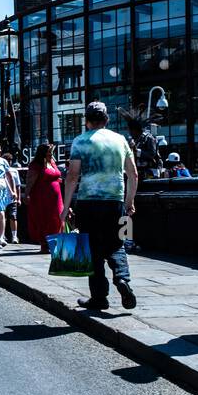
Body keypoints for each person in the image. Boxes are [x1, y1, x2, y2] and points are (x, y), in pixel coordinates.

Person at [60, 101, 138, 311]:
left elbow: (72, 176)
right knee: (117, 243)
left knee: (92, 249)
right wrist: (129, 203)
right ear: (107, 120)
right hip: (115, 202)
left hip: (88, 202)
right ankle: (122, 279)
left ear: (86, 121)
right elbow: (133, 174)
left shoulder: (80, 141)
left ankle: (99, 297)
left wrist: (65, 207)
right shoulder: (120, 140)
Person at [25, 142, 64, 252]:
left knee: (57, 219)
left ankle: (55, 243)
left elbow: (56, 175)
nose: (51, 154)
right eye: (49, 152)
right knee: (44, 219)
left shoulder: (52, 162)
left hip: (56, 198)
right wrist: (26, 194)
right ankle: (45, 244)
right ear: (43, 153)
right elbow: (30, 181)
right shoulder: (36, 165)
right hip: (42, 197)